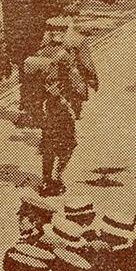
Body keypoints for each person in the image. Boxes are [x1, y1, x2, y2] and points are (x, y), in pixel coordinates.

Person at [35, 30, 89, 196]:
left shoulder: (39, 53)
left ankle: (46, 179)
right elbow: (75, 81)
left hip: (47, 106)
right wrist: (81, 94)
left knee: (48, 143)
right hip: (63, 106)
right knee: (68, 144)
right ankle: (58, 177)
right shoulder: (64, 55)